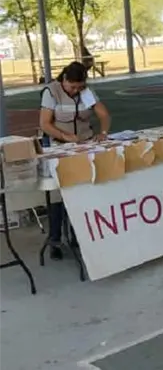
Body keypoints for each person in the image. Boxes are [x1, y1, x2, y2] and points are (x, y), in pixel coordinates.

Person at [39, 62, 112, 260]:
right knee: (59, 195)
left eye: (80, 87)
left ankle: (78, 235)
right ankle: (55, 239)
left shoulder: (86, 91)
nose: (76, 91)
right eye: (72, 87)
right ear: (64, 79)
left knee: (82, 189)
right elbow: (45, 123)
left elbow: (103, 114)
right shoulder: (51, 92)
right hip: (59, 147)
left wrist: (103, 132)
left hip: (84, 145)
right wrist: (65, 136)